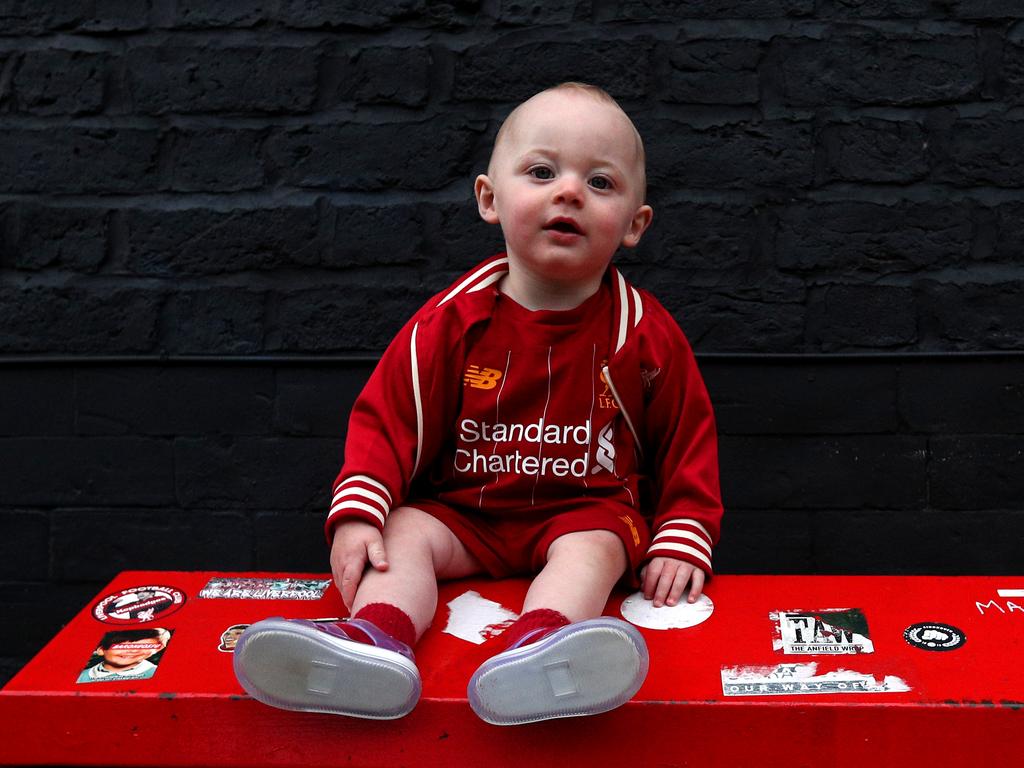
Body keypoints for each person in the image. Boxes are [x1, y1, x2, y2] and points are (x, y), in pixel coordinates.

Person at [234, 82, 723, 725]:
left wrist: (682, 536)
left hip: (584, 509)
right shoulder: (451, 321)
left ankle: (543, 649)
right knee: (402, 532)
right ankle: (372, 641)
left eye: (600, 183)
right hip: (464, 513)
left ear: (635, 224)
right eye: (542, 172)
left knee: (597, 548)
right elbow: (389, 417)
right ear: (490, 200)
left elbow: (688, 437)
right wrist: (358, 511)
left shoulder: (642, 331)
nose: (569, 192)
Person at [77, 628, 170, 683]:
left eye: (144, 646)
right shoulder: (81, 676)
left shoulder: (156, 674)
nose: (133, 650)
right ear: (101, 650)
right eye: (122, 646)